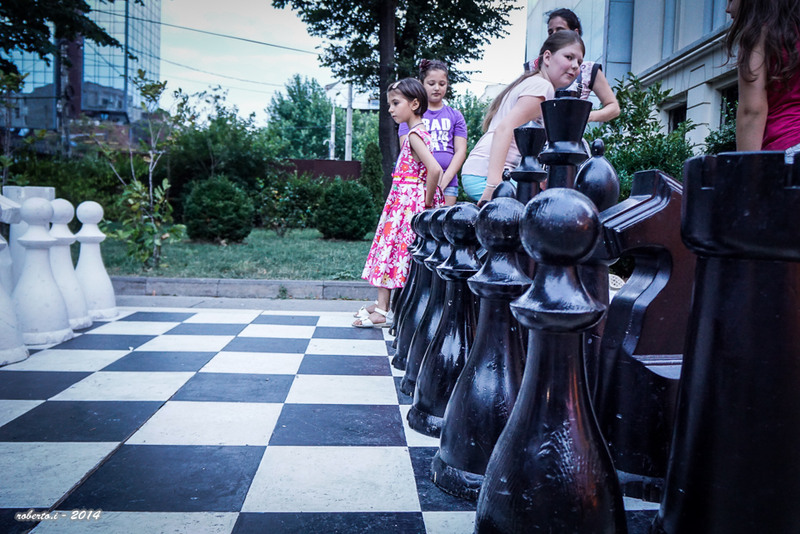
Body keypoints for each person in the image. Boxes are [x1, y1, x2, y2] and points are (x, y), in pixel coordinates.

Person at [354, 78, 444, 328]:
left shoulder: (414, 135)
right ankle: (384, 304)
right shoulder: (419, 132)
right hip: (405, 202)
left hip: (406, 205)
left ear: (414, 104)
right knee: (395, 252)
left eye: (395, 103)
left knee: (390, 250)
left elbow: (435, 169)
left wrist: (427, 202)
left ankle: (383, 310)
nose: (390, 109)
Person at [461, 30, 585, 204]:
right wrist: (494, 185)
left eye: (579, 62)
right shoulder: (542, 87)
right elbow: (504, 129)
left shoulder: (535, 83)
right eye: (569, 57)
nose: (575, 66)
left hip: (484, 170)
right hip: (487, 174)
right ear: (547, 57)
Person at [725, 0, 800, 157]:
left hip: (787, 151)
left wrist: (746, 168)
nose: (727, 9)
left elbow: (752, 111)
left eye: (731, 0)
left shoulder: (758, 36)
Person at [525, 8, 620, 124]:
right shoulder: (534, 66)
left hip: (571, 134)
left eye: (560, 30)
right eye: (550, 32)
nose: (554, 35)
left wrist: (584, 116)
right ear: (547, 58)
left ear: (575, 33)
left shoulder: (588, 70)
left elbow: (613, 107)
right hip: (537, 133)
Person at [398, 59, 468, 206]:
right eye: (431, 83)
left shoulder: (456, 116)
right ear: (421, 84)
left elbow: (461, 151)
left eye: (442, 84)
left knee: (444, 221)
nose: (437, 88)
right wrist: (431, 181)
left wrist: (444, 181)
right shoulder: (410, 115)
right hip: (417, 183)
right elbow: (406, 149)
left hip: (448, 185)